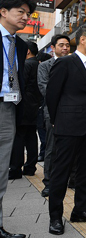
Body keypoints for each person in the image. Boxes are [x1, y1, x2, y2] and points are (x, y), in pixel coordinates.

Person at [46, 23, 86, 235]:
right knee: (61, 172)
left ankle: (80, 210)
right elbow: (52, 96)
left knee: (85, 171)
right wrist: (56, 120)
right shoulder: (65, 63)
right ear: (83, 39)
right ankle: (55, 217)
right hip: (68, 127)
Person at [0, 0, 35, 238]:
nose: (26, 17)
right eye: (21, 12)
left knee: (2, 171)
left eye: (28, 13)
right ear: (3, 11)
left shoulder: (21, 45)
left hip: (8, 109)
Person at [37, 34, 71, 198]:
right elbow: (45, 89)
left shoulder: (74, 64)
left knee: (71, 148)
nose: (65, 48)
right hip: (53, 112)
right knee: (51, 148)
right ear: (53, 47)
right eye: (61, 45)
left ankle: (71, 179)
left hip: (72, 113)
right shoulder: (44, 66)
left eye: (67, 45)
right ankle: (49, 183)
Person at [9, 40, 42, 179]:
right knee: (31, 137)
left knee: (19, 137)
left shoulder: (26, 64)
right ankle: (30, 167)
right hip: (36, 106)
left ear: (27, 51)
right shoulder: (41, 65)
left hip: (24, 106)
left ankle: (16, 168)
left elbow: (20, 85)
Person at [36, 51, 52, 162]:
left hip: (42, 107)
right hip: (45, 107)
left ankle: (42, 153)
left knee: (45, 137)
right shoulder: (42, 67)